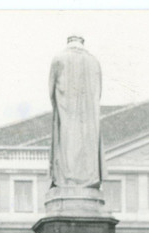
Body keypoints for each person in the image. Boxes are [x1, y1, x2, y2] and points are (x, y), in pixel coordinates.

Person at [48, 35, 102, 189]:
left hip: (66, 112)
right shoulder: (94, 62)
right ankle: (89, 178)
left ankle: (66, 178)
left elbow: (51, 90)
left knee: (68, 143)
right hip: (89, 117)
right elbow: (99, 93)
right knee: (87, 143)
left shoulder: (58, 59)